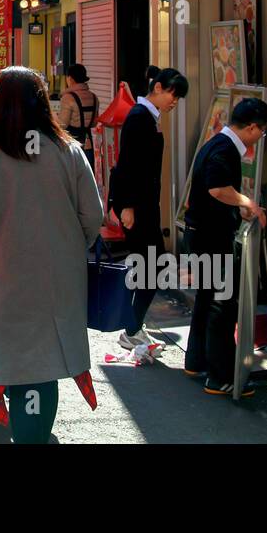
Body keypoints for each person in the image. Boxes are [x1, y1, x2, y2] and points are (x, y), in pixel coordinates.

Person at [0, 67, 103, 443]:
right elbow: (93, 216)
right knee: (44, 370)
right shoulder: (69, 153)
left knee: (23, 369)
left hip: (7, 282)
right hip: (61, 280)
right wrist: (70, 248)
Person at [184, 97, 267, 397]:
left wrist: (240, 208)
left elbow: (218, 192)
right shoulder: (225, 148)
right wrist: (249, 204)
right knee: (222, 303)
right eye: (262, 131)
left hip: (200, 233)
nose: (261, 137)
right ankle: (221, 377)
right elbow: (218, 189)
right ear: (250, 127)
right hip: (211, 237)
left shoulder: (216, 142)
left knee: (207, 299)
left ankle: (196, 362)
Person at [107, 65, 189, 349]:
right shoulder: (139, 118)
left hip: (144, 207)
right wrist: (125, 206)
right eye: (172, 95)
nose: (174, 102)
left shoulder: (146, 117)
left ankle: (132, 327)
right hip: (139, 209)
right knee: (153, 268)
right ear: (157, 88)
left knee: (150, 268)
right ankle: (130, 329)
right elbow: (128, 165)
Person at [60, 63, 99, 167]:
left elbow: (62, 124)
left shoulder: (68, 98)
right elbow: (95, 122)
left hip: (72, 143)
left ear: (71, 79)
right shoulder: (94, 97)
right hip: (89, 143)